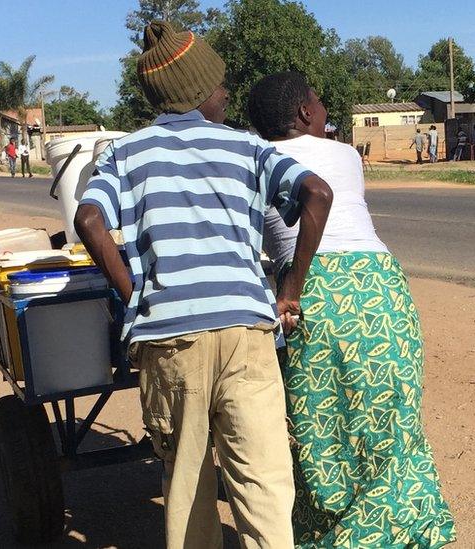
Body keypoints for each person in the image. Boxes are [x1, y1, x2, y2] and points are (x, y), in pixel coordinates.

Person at [73, 22, 333, 549]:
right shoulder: (246, 148)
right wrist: (290, 290)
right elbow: (317, 193)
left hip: (171, 342)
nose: (228, 94)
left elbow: (89, 223)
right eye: (220, 85)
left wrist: (136, 298)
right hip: (248, 333)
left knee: (189, 484)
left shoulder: (124, 154)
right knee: (263, 482)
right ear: (198, 92)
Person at [247, 71, 456, 548]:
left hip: (310, 296)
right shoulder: (343, 155)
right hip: (379, 288)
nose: (325, 113)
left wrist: (288, 284)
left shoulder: (256, 159)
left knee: (320, 425)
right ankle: (401, 530)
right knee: (394, 422)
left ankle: (331, 535)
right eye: (319, 104)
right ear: (304, 113)